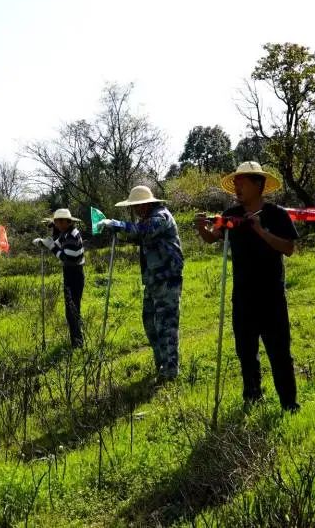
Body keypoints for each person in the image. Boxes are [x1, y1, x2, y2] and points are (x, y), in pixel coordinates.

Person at [195, 161, 301, 412]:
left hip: (271, 296)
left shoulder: (277, 215)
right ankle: (252, 397)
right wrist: (202, 229)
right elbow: (213, 237)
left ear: (258, 184)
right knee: (245, 351)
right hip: (242, 296)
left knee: (279, 352)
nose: (237, 188)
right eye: (235, 183)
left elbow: (288, 248)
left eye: (242, 183)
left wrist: (261, 231)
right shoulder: (231, 215)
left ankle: (289, 404)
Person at [96, 185, 184, 383]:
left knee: (166, 325)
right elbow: (139, 236)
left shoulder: (161, 216)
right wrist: (118, 232)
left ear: (146, 204)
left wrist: (117, 224)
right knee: (150, 323)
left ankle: (170, 372)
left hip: (167, 278)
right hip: (153, 279)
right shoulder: (144, 219)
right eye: (133, 207)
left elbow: (145, 231)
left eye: (137, 206)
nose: (135, 210)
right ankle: (161, 364)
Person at [34, 208, 86, 348]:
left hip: (75, 274)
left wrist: (51, 247)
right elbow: (57, 244)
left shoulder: (72, 236)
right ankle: (76, 340)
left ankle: (78, 342)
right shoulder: (65, 234)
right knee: (70, 309)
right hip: (70, 273)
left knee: (72, 310)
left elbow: (68, 258)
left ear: (68, 222)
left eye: (60, 222)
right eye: (56, 222)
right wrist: (44, 242)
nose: (58, 225)